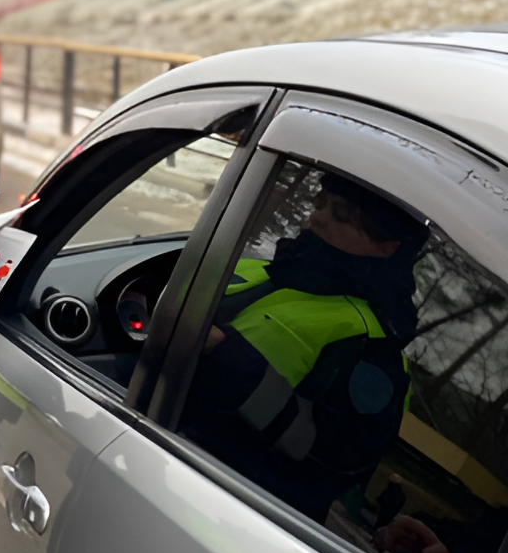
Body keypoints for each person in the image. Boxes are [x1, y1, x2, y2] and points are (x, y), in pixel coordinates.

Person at [178, 171, 426, 520]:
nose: (318, 216)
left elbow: (322, 472)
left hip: (210, 507)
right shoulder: (257, 268)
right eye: (320, 203)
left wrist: (228, 359)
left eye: (341, 213)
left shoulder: (373, 351)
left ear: (387, 245)